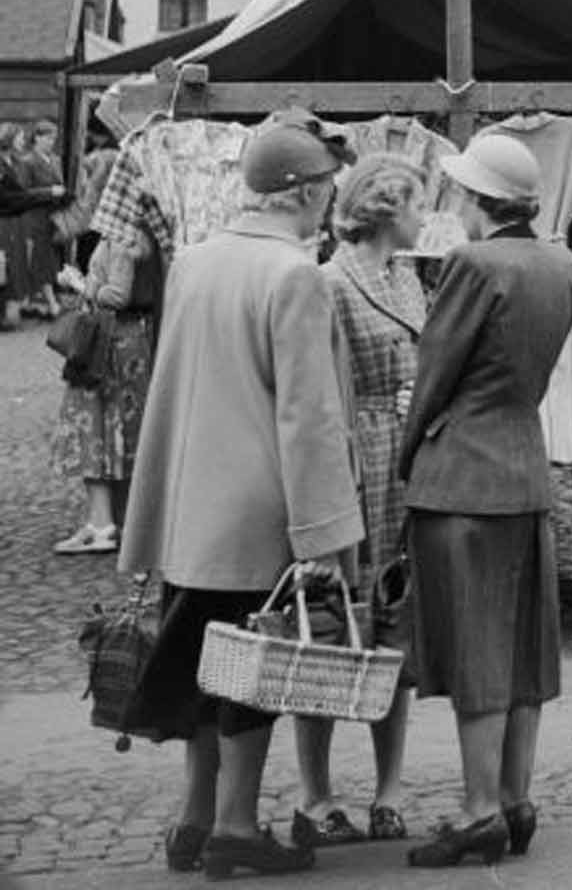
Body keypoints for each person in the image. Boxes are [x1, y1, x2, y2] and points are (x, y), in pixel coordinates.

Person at [119, 120, 361, 879]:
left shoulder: (195, 259)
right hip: (257, 509)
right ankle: (233, 827)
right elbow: (308, 418)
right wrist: (326, 538)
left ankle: (196, 820)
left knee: (202, 660)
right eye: (326, 190)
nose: (328, 204)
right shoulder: (296, 277)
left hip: (192, 501)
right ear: (306, 191)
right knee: (253, 674)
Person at [399, 134, 572, 868]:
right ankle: (515, 798)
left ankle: (478, 812)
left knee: (475, 648)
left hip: (462, 477)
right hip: (522, 465)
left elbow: (434, 371)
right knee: (521, 647)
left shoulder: (472, 264)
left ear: (480, 202)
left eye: (463, 195)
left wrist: (408, 459)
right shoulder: (559, 263)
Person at [292, 156, 429, 849]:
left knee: (394, 630)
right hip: (353, 461)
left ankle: (389, 789)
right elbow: (316, 387)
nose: (422, 217)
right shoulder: (329, 279)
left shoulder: (408, 276)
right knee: (329, 623)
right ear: (385, 206)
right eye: (415, 204)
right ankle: (315, 793)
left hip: (405, 466)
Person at [50, 227, 162, 555]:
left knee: (95, 424)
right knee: (122, 428)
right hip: (129, 342)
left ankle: (101, 524)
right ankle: (119, 519)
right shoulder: (142, 233)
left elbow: (117, 296)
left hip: (109, 344)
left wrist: (77, 283)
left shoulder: (123, 236)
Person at [18, 118, 66, 316]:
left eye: (53, 138)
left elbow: (59, 184)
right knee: (41, 259)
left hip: (54, 217)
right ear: (37, 138)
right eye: (47, 138)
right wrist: (49, 192)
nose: (51, 142)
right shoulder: (27, 161)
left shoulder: (56, 159)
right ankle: (52, 303)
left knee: (48, 259)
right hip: (35, 218)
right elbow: (24, 192)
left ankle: (28, 302)